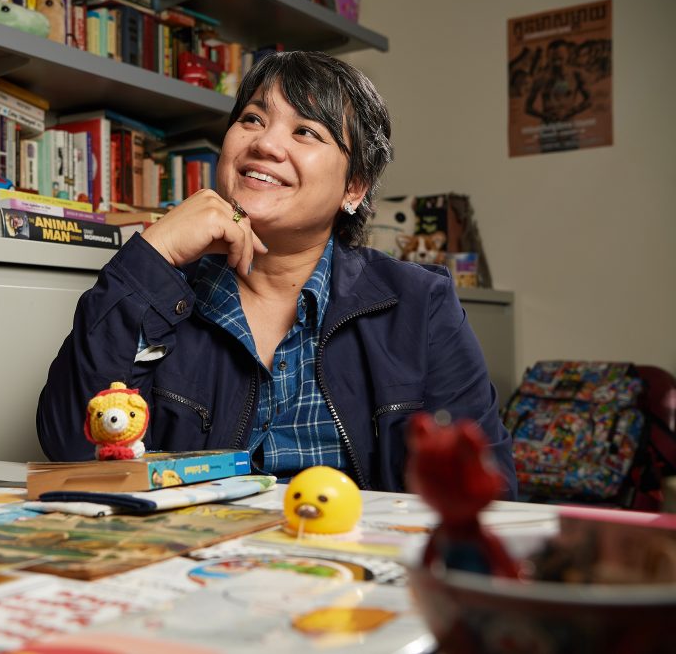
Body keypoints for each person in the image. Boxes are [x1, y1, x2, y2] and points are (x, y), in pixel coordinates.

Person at [36, 51, 517, 498]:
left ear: (354, 186)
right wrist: (152, 254)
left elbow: (484, 494)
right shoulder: (161, 287)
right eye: (251, 119)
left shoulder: (419, 304)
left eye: (306, 131)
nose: (265, 143)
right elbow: (71, 451)